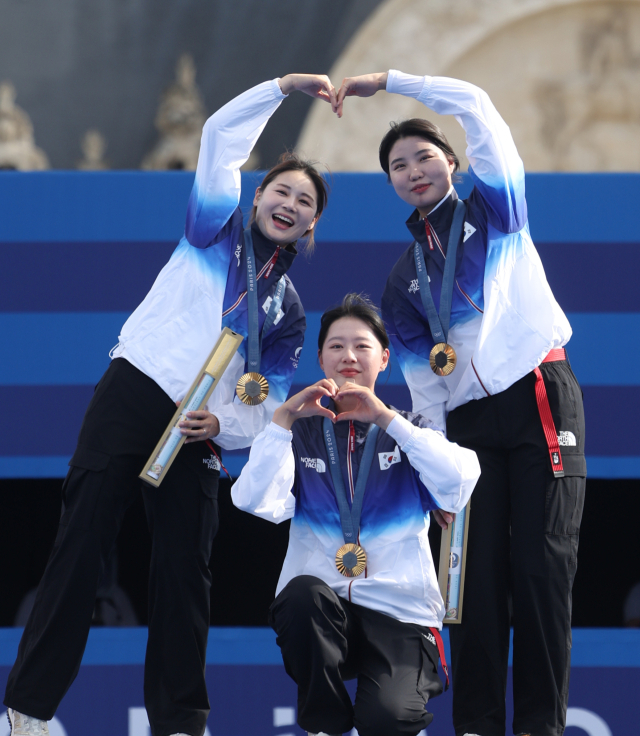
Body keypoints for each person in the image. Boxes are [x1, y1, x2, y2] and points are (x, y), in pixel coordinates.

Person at [4, 73, 335, 736]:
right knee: (82, 543)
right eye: (282, 190)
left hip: (198, 431)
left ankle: (181, 721)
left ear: (310, 225)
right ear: (258, 196)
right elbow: (217, 139)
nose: (290, 203)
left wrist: (225, 424)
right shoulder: (212, 231)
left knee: (187, 570)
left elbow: (262, 392)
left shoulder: (289, 311)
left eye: (304, 201)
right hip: (136, 389)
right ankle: (28, 709)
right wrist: (282, 87)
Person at [334, 71, 587, 736]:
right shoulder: (402, 280)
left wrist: (387, 83)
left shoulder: (497, 210)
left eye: (424, 156)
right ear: (390, 184)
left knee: (539, 574)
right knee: (470, 589)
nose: (413, 170)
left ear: (452, 162)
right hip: (467, 431)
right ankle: (475, 726)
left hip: (537, 397)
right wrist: (438, 470)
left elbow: (476, 105)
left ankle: (539, 728)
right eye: (397, 165)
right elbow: (425, 391)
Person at [232, 294, 480, 736]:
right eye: (336, 346)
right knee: (300, 595)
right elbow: (254, 501)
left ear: (384, 359)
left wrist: (387, 420)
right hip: (326, 615)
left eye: (362, 346)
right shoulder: (299, 432)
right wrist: (281, 420)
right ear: (321, 358)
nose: (349, 356)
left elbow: (460, 481)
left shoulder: (411, 429)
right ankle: (324, 726)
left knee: (386, 720)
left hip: (400, 615)